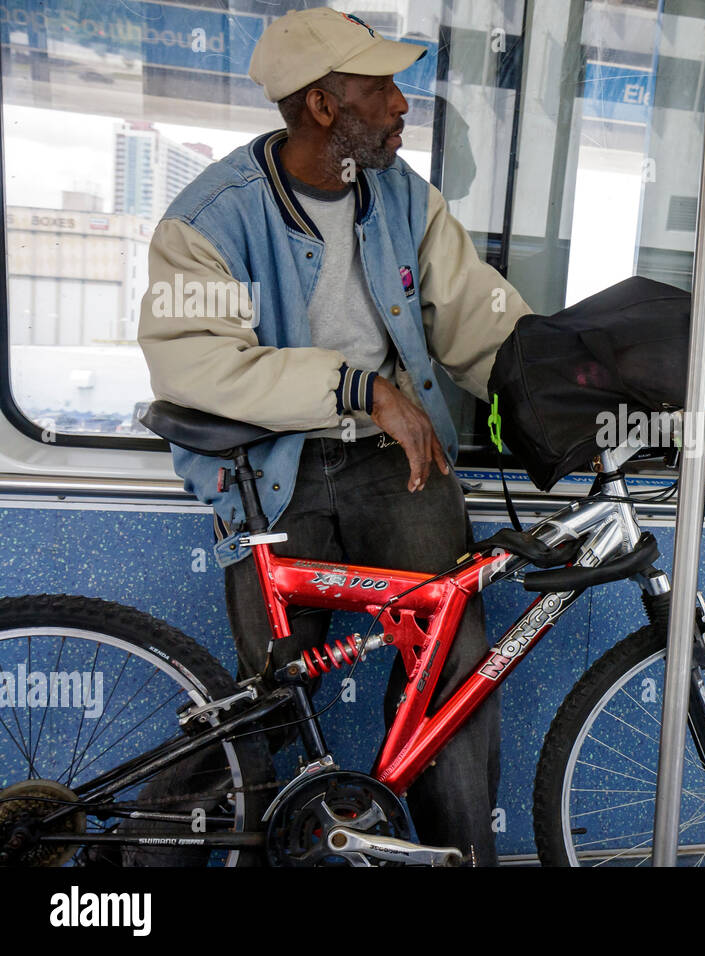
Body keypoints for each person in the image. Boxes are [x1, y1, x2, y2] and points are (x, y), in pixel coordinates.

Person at [137, 7, 532, 866]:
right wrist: (357, 387)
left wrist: (566, 384)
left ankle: (464, 863)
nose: (401, 105)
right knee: (271, 695)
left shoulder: (403, 198)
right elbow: (195, 369)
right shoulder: (206, 219)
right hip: (271, 470)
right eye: (381, 88)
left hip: (400, 467)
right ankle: (137, 862)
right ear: (322, 105)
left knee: (455, 670)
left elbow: (480, 322)